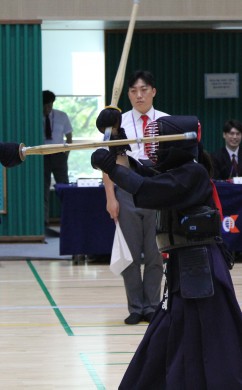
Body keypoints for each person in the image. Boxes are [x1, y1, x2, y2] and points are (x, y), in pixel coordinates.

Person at [91, 115, 242, 389]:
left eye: (158, 142)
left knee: (215, 339)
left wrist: (111, 168)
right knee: (167, 331)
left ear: (178, 145)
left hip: (202, 268)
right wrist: (117, 145)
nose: (153, 147)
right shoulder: (176, 172)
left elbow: (145, 188)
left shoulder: (192, 174)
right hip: (183, 267)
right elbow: (140, 175)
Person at [98, 70, 169, 325]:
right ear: (128, 93)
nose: (139, 95)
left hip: (156, 190)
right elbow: (107, 162)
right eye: (133, 91)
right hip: (126, 192)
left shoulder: (166, 121)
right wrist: (111, 196)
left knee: (154, 253)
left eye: (143, 89)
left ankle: (152, 306)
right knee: (129, 253)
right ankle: (135, 307)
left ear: (153, 91)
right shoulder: (117, 123)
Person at [42, 90, 73, 225]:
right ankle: (44, 220)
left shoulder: (62, 116)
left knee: (63, 186)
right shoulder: (34, 116)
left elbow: (69, 137)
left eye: (49, 106)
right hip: (42, 154)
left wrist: (65, 154)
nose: (46, 109)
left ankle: (67, 219)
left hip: (59, 154)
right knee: (43, 188)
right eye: (44, 106)